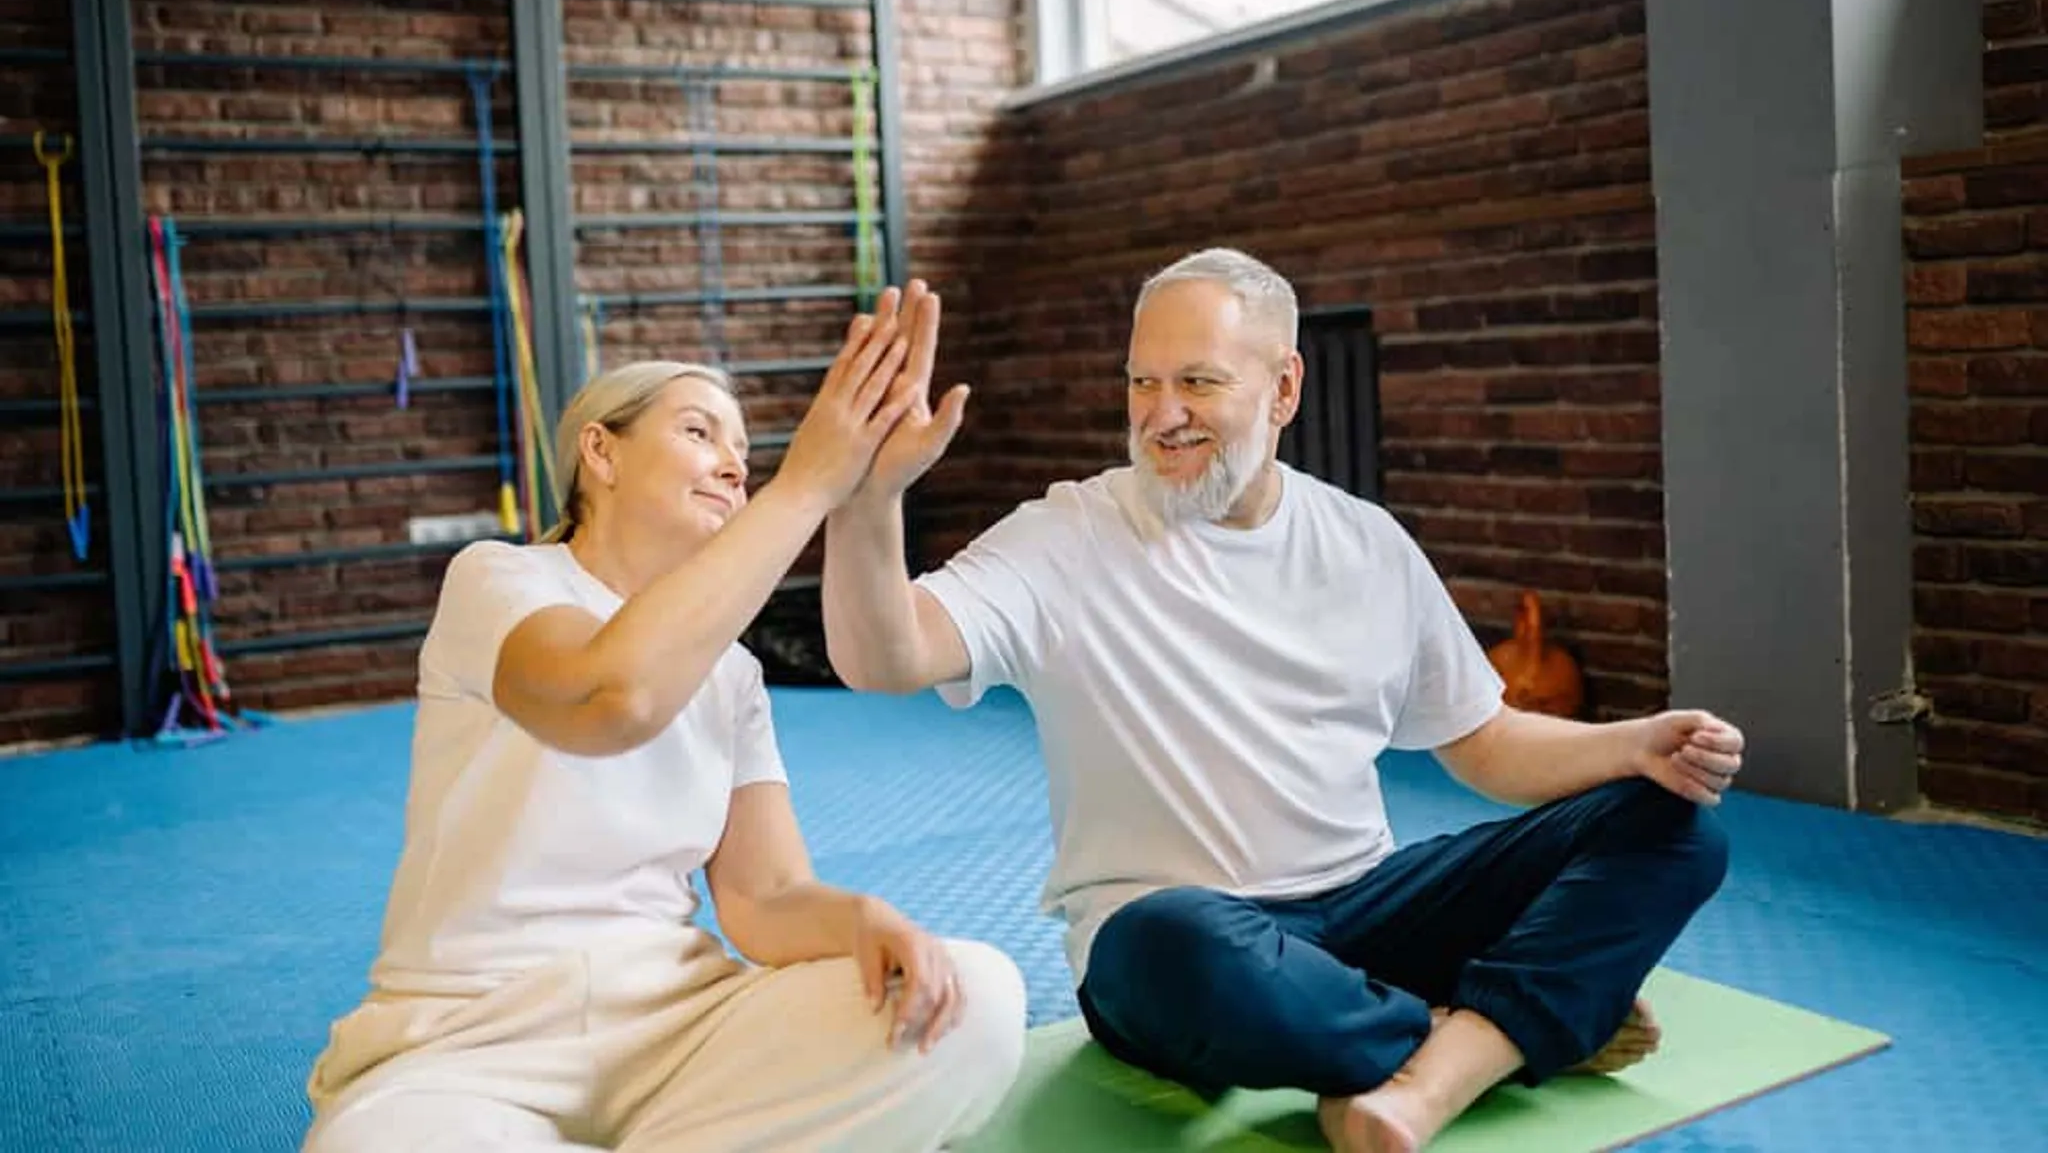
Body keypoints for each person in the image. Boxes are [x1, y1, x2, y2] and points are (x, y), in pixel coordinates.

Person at [822, 252, 1741, 1153]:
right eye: (1142, 383)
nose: (1162, 415)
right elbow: (885, 657)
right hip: (1184, 940)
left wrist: (1634, 746)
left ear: (1285, 388)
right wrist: (869, 499)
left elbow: (1487, 743)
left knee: (1673, 824)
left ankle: (1431, 1065)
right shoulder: (1066, 537)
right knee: (1172, 942)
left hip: (1370, 911)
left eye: (1197, 382)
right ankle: (1498, 1034)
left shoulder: (1366, 543)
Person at [302, 300, 1027, 1153]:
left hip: (677, 1033)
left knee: (975, 998)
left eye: (744, 454)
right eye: (698, 432)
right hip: (470, 1042)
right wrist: (805, 485)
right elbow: (609, 698)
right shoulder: (498, 582)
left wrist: (867, 920)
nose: (733, 465)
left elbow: (764, 899)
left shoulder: (735, 674)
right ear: (600, 451)